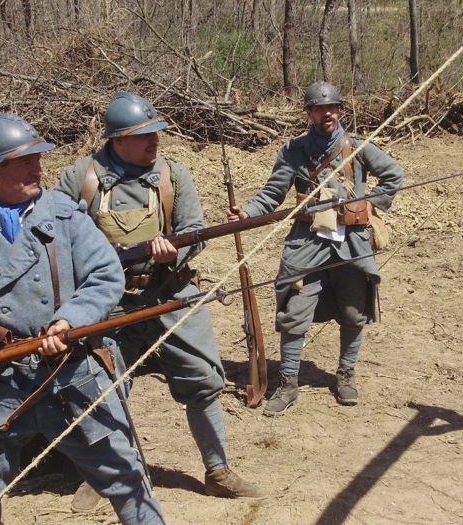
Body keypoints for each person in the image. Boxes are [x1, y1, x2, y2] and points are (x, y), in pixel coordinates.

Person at [0, 114, 165, 525]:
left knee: (127, 481)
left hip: (71, 372)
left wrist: (68, 321)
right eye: (25, 162)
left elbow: (106, 275)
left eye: (39, 159)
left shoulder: (66, 216)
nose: (39, 169)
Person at [54, 92, 265, 509]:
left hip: (171, 292)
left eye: (156, 133)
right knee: (104, 388)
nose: (155, 141)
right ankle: (105, 476)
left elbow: (195, 231)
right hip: (107, 302)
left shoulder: (172, 175)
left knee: (203, 380)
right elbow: (56, 238)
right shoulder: (82, 177)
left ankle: (217, 470)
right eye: (144, 135)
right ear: (118, 140)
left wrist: (174, 251)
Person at [226, 81, 404, 417]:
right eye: (321, 108)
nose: (328, 113)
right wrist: (247, 212)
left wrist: (367, 205)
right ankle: (289, 382)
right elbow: (271, 195)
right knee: (294, 314)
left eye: (333, 107)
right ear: (308, 113)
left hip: (352, 242)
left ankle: (346, 374)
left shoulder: (359, 148)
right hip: (307, 242)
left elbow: (394, 175)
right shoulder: (294, 152)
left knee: (354, 311)